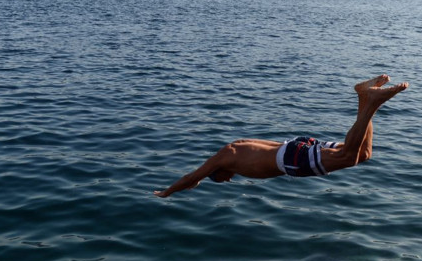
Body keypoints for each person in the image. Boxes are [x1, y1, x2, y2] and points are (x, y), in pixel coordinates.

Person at [154, 74, 408, 197]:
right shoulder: (236, 145)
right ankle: (364, 97)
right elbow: (195, 180)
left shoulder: (223, 159)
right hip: (293, 146)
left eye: (222, 179)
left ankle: (372, 103)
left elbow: (191, 178)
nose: (229, 179)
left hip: (290, 160)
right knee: (363, 154)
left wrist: (167, 192)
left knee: (349, 156)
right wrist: (192, 182)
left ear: (218, 173)